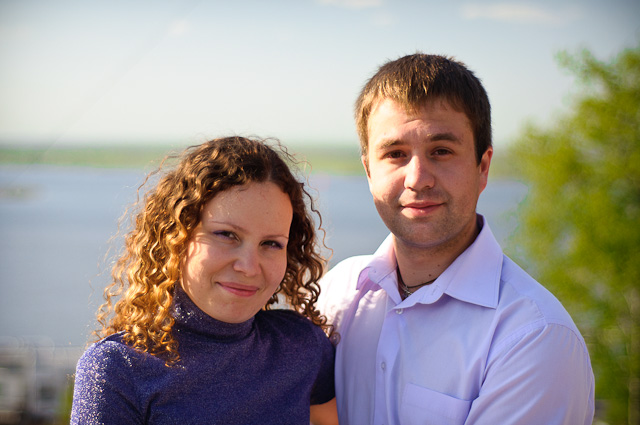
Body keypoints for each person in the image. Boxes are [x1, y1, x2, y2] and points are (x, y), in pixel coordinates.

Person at [317, 54, 595, 424]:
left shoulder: (533, 337)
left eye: (442, 151)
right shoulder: (336, 295)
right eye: (395, 154)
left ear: (483, 167)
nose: (418, 179)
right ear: (369, 171)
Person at [71, 136, 337, 424]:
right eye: (226, 235)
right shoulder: (119, 369)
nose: (249, 267)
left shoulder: (302, 346)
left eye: (271, 243)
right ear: (175, 237)